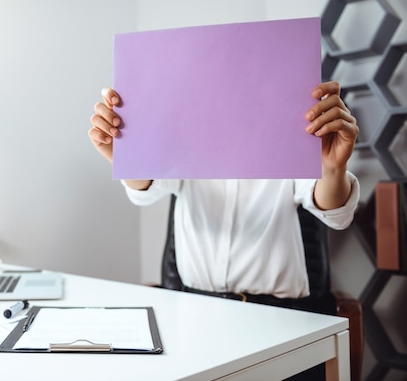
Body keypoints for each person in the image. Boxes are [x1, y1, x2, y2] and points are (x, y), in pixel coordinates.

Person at [89, 80, 360, 380]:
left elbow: (334, 212)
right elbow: (146, 185)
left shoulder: (289, 136)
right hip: (193, 319)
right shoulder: (187, 136)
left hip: (282, 322)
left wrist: (333, 169)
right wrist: (126, 158)